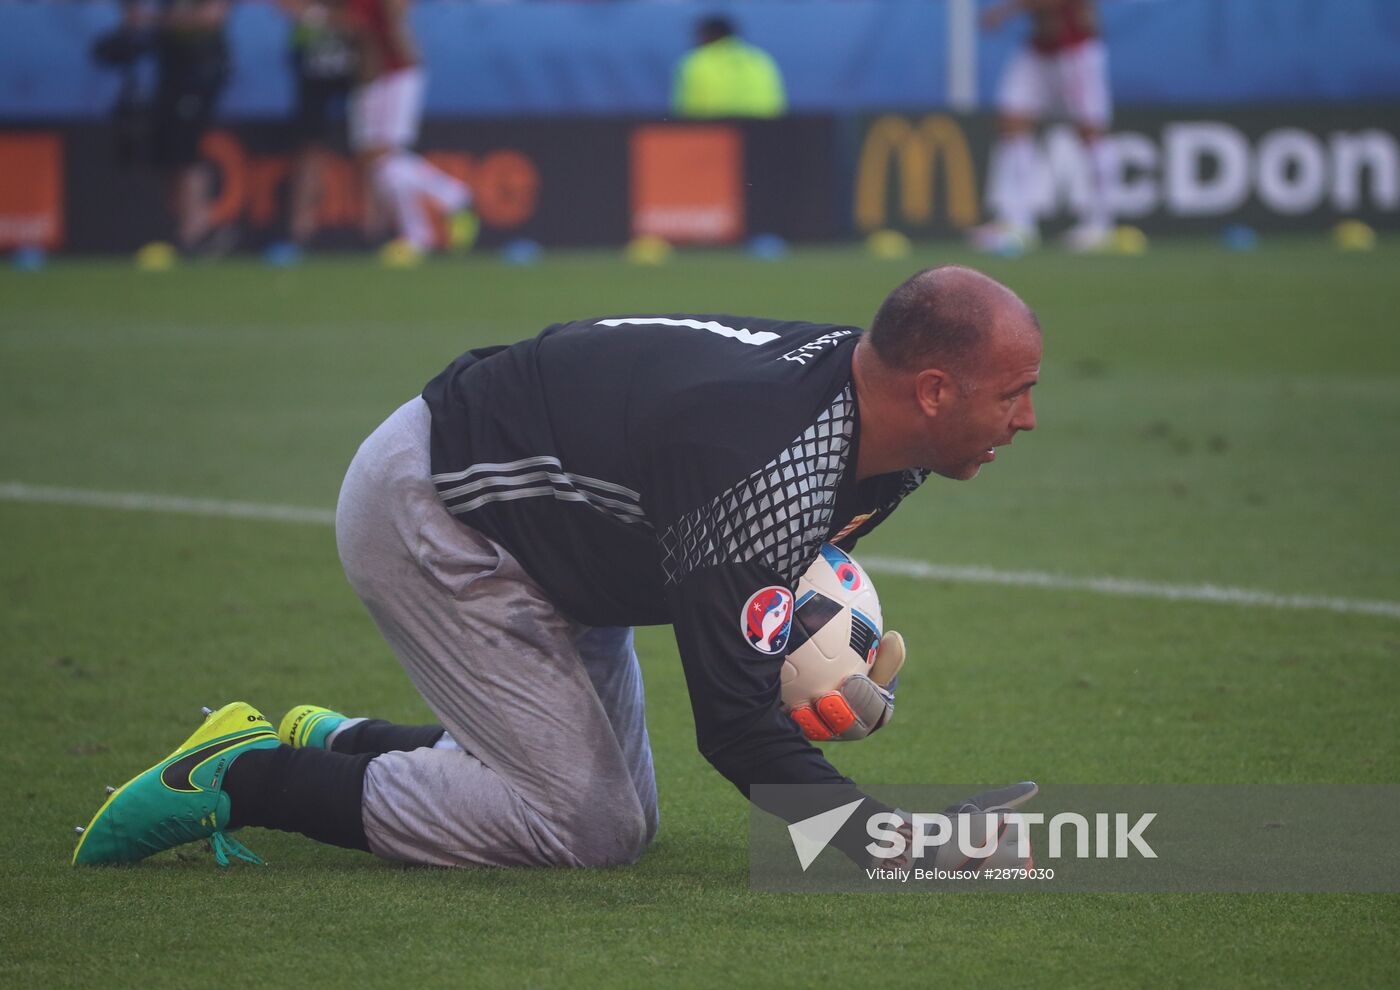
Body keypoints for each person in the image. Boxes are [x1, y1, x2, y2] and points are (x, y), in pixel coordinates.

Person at [72, 266, 1041, 871]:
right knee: (581, 831)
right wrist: (893, 844)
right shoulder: (769, 462)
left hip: (558, 539)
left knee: (619, 812)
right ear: (930, 388)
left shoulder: (878, 433)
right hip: (443, 513)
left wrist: (801, 653)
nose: (1026, 418)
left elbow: (751, 573)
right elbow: (734, 729)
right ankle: (245, 777)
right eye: (1013, 394)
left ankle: (345, 740)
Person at [973, 0, 1115, 253]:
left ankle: (1101, 224)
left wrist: (1004, 11)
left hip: (1075, 49)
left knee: (1089, 131)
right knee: (1011, 121)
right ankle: (1019, 222)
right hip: (1039, 48)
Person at [343, 0, 475, 266]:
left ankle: (449, 203)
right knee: (381, 163)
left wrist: (395, 70)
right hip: (377, 77)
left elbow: (390, 22)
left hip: (393, 74)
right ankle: (422, 231)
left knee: (386, 157)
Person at [275, 0, 358, 257]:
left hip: (358, 67)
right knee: (308, 150)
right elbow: (288, 8)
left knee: (372, 148)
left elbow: (361, 19)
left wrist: (320, 15)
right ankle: (300, 233)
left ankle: (374, 231)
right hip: (311, 69)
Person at [148, 0, 232, 253]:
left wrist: (164, 21)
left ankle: (196, 231)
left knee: (189, 153)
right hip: (170, 78)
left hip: (200, 74)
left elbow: (210, 17)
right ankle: (181, 228)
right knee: (172, 155)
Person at [672, 15, 787, 119]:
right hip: (764, 133)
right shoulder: (761, 59)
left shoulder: (695, 62)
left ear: (708, 35)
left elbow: (686, 112)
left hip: (717, 134)